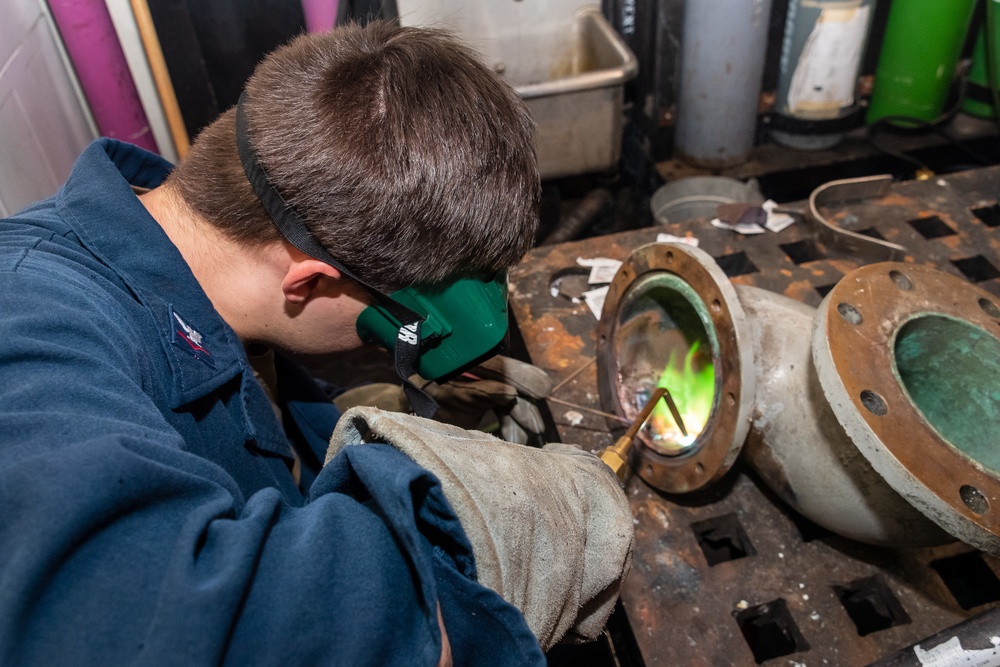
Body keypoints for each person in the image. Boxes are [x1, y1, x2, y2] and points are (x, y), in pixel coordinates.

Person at [0, 20, 633, 666]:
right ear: (310, 281)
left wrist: (366, 416)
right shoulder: (26, 325)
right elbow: (157, 625)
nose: (383, 341)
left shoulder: (203, 274)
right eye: (383, 328)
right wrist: (478, 523)